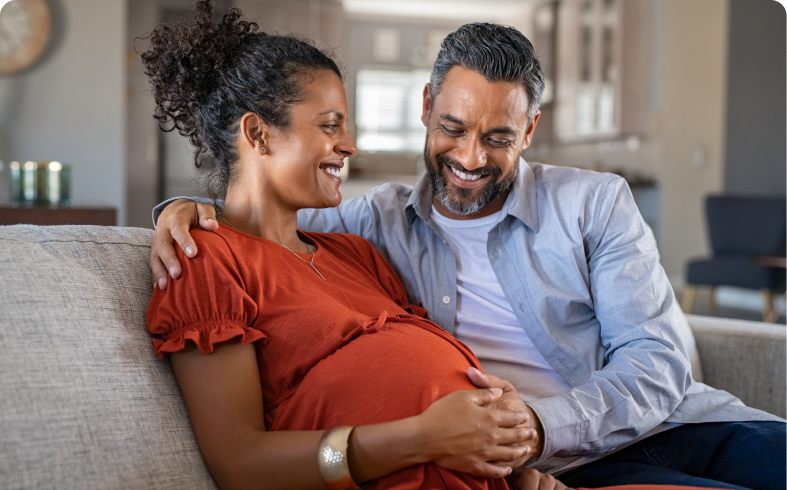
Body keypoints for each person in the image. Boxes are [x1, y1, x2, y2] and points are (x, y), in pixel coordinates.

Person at [150, 14, 787, 490]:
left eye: (499, 137)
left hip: (672, 426)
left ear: (530, 130)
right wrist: (181, 210)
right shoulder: (374, 221)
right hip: (551, 471)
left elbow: (655, 361)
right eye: (453, 128)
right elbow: (258, 210)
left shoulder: (593, 203)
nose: (470, 157)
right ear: (427, 107)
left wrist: (537, 427)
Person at [142, 3, 585, 490]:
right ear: (258, 134)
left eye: (346, 126)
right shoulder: (205, 262)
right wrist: (422, 438)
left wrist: (515, 470)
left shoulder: (354, 252)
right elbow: (240, 465)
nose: (350, 145)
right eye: (330, 125)